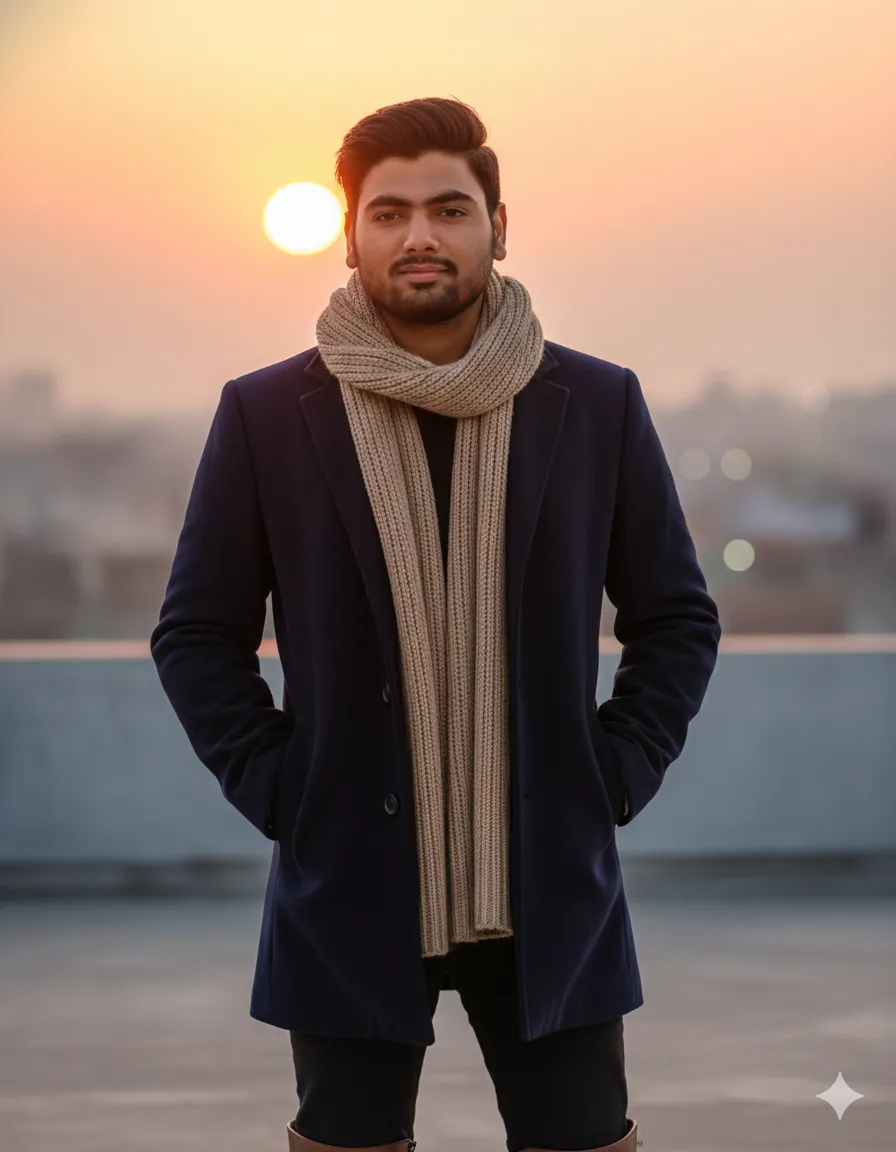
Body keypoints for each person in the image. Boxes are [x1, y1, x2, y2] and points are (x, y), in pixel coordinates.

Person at [150, 96, 722, 1152]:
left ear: (499, 226)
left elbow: (674, 616)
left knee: (583, 1140)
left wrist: (615, 771)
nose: (419, 235)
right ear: (351, 231)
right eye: (389, 211)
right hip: (351, 876)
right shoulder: (268, 414)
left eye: (449, 209)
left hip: (546, 868)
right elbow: (195, 632)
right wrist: (281, 789)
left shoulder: (592, 404)